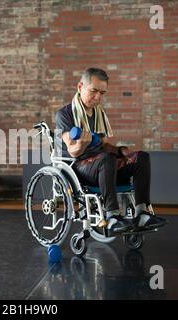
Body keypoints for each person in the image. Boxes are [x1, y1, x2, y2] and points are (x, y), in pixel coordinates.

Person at [55, 67, 167, 236]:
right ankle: (112, 216)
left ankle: (142, 214)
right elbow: (73, 151)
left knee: (141, 157)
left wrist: (119, 150)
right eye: (94, 91)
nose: (98, 97)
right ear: (80, 87)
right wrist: (82, 144)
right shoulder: (65, 114)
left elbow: (105, 145)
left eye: (102, 93)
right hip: (79, 168)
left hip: (104, 165)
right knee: (106, 158)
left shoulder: (99, 114)